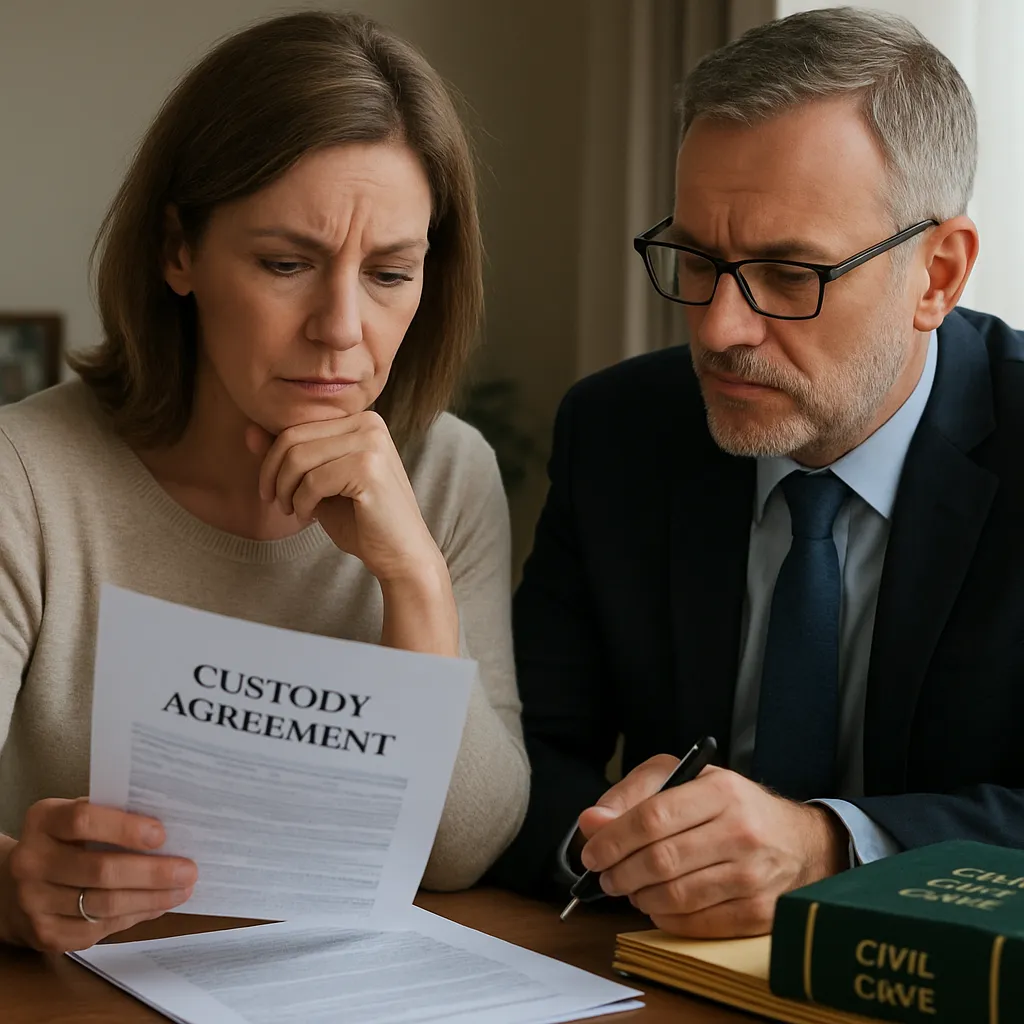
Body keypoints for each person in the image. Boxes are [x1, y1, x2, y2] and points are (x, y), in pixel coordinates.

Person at [0, 11, 529, 952]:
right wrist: (9, 888)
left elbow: (461, 852)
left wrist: (414, 580)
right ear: (178, 252)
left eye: (390, 273)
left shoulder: (449, 472)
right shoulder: (26, 476)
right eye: (286, 264)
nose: (340, 327)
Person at [491, 7, 1024, 938]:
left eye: (788, 274)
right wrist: (617, 846)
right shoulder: (619, 432)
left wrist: (830, 846)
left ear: (938, 274)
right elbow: (522, 758)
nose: (717, 329)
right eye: (696, 259)